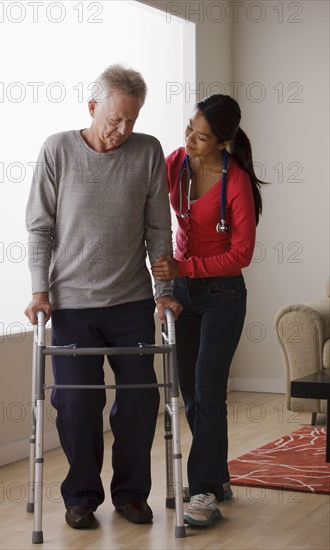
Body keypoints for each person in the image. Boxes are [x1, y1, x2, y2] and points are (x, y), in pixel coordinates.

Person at [24, 64, 182, 529]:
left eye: (131, 120)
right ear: (92, 108)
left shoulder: (148, 151)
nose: (122, 130)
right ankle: (81, 497)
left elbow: (158, 228)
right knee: (75, 403)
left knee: (139, 400)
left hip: (131, 301)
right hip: (71, 304)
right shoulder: (58, 150)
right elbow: (40, 228)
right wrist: (39, 290)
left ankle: (132, 495)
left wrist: (165, 291)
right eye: (114, 119)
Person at [152, 94, 265, 527]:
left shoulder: (236, 182)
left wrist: (187, 266)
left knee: (208, 387)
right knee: (191, 395)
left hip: (223, 295)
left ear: (223, 142)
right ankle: (216, 479)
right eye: (188, 130)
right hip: (183, 292)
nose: (190, 141)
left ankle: (201, 492)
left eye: (202, 137)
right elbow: (147, 201)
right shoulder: (176, 162)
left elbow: (241, 254)